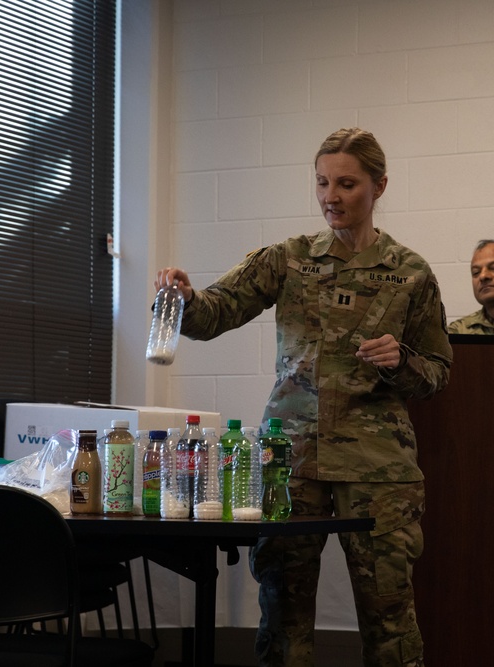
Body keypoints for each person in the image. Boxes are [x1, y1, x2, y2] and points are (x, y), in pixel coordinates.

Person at [153, 128, 452, 667]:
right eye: (321, 183)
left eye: (346, 184)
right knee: (283, 612)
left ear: (379, 186)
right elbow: (215, 313)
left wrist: (400, 362)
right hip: (289, 461)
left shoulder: (411, 274)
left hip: (377, 468)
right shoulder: (287, 259)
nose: (330, 197)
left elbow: (438, 373)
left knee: (389, 618)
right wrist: (186, 297)